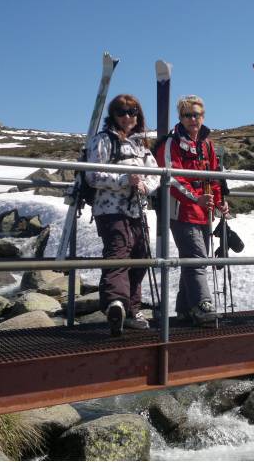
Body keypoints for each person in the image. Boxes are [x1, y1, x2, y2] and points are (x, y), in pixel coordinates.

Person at [85, 94, 160, 336]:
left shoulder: (141, 145)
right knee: (119, 252)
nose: (127, 116)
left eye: (132, 111)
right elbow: (92, 175)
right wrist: (124, 179)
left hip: (137, 209)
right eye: (121, 111)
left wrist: (145, 186)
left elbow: (156, 173)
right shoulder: (103, 141)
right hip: (110, 210)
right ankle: (116, 303)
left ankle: (130, 309)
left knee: (140, 255)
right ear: (113, 115)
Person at [155, 95, 229, 326]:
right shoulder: (172, 142)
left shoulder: (206, 144)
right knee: (197, 258)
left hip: (203, 211)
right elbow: (172, 178)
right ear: (180, 118)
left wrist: (219, 202)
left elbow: (215, 176)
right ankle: (202, 305)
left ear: (203, 116)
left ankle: (185, 308)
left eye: (196, 114)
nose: (192, 119)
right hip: (181, 212)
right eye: (187, 115)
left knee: (192, 259)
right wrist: (196, 198)